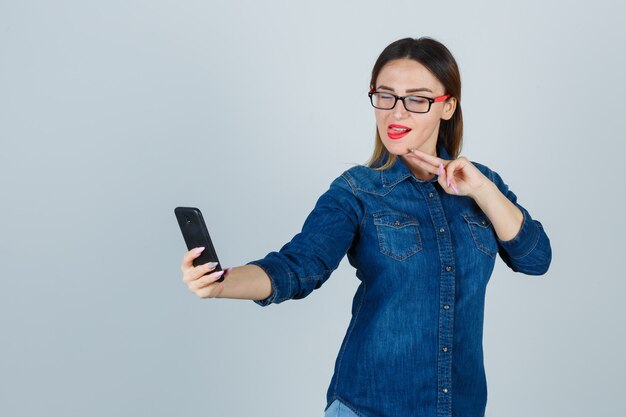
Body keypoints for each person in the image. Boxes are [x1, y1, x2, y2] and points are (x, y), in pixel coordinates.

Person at [180, 37, 552, 417]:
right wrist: (222, 283)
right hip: (370, 406)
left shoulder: (481, 184)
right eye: (386, 96)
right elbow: (298, 266)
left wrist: (483, 191)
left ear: (448, 106)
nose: (396, 113)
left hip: (460, 407)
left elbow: (536, 258)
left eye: (417, 99)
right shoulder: (357, 191)